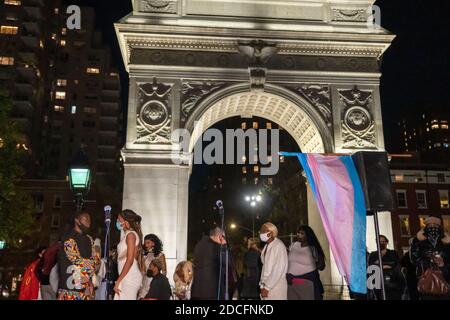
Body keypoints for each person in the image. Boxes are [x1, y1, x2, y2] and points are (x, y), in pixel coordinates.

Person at [57, 211, 100, 300]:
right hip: (69, 287)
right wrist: (93, 264)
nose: (88, 223)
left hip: (85, 287)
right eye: (85, 219)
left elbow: (96, 260)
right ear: (77, 221)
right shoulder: (69, 238)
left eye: (89, 220)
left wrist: (90, 282)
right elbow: (77, 261)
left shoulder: (89, 239)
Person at [410, 216, 450, 300]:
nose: (432, 228)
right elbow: (414, 259)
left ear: (439, 227)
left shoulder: (446, 244)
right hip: (427, 280)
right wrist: (429, 261)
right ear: (426, 228)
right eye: (430, 226)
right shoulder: (420, 244)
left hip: (445, 280)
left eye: (435, 225)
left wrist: (442, 265)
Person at [287, 225, 325, 300]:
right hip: (291, 283)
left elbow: (321, 266)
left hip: (306, 283)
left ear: (308, 235)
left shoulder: (313, 248)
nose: (299, 235)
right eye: (298, 233)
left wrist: (313, 265)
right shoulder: (294, 245)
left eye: (302, 233)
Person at [113, 209, 145, 300]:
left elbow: (130, 260)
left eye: (119, 220)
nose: (117, 222)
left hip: (130, 276)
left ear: (126, 221)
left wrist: (118, 281)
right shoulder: (128, 235)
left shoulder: (131, 235)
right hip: (126, 275)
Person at [191, 227, 228, 300]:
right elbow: (228, 262)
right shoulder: (215, 247)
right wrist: (224, 246)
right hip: (212, 291)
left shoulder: (199, 245)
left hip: (197, 291)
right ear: (220, 236)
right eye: (224, 237)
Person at [368, 235, 404, 300]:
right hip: (378, 286)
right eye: (378, 241)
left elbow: (397, 266)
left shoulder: (393, 253)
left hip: (393, 285)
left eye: (382, 241)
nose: (380, 243)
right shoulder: (373, 255)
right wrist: (384, 266)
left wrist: (379, 265)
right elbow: (370, 268)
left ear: (386, 242)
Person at [259, 222, 288, 300]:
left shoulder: (279, 246)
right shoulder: (267, 246)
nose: (260, 233)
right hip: (266, 285)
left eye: (263, 231)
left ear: (270, 233)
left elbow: (278, 269)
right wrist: (262, 285)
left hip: (276, 285)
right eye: (260, 231)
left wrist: (267, 287)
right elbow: (265, 267)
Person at [138, 234, 167, 299]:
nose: (146, 245)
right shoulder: (144, 255)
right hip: (145, 281)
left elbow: (164, 272)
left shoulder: (160, 255)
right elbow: (142, 270)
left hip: (155, 283)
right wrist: (140, 257)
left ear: (153, 243)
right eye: (145, 243)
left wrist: (162, 283)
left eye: (148, 243)